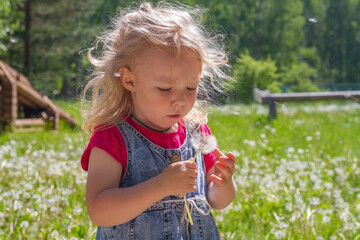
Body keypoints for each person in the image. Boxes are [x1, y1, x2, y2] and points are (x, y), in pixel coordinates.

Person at [81, 2, 237, 239]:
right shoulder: (112, 137)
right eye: (165, 89)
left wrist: (224, 185)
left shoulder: (197, 133)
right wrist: (161, 186)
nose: (180, 100)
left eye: (190, 87)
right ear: (130, 81)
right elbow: (99, 210)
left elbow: (215, 200)